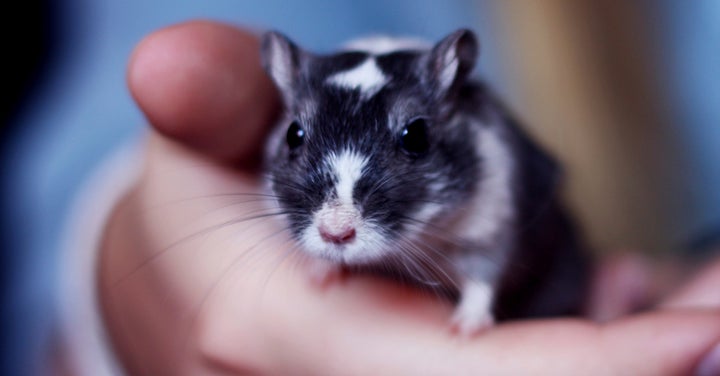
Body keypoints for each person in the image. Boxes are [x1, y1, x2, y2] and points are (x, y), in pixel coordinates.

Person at [58, 20, 720, 375]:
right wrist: (125, 282)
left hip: (548, 288)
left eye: (407, 140)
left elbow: (497, 233)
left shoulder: (489, 163)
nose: (339, 222)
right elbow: (77, 152)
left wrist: (479, 296)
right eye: (297, 136)